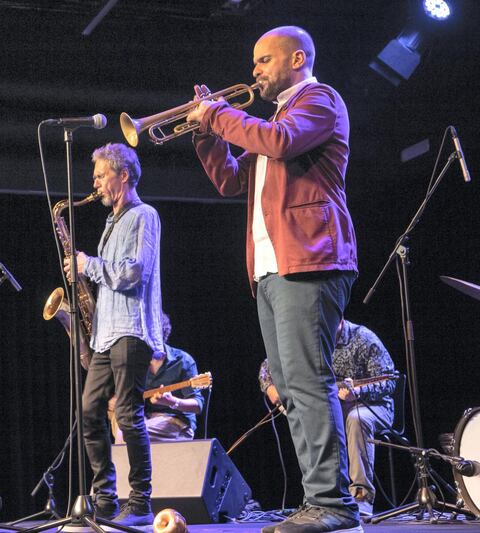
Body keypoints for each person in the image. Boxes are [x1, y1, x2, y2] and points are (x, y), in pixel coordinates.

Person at [187, 26, 361, 533]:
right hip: (271, 268)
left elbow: (280, 143)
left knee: (308, 381)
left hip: (310, 258)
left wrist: (217, 114)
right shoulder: (275, 119)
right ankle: (320, 499)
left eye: (264, 60)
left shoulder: (319, 100)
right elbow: (229, 180)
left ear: (297, 58)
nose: (255, 70)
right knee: (288, 386)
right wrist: (205, 134)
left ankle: (333, 504)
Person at [65, 142, 163, 527]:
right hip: (105, 334)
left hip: (131, 329)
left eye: (101, 175)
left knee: (127, 412)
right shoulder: (111, 222)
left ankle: (140, 500)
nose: (95, 183)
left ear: (124, 174)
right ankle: (105, 497)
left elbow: (133, 271)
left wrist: (88, 265)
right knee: (89, 411)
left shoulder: (145, 215)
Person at [259, 319, 396, 517]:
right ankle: (321, 498)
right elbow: (267, 366)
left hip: (373, 407)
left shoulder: (363, 338)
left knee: (357, 418)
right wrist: (271, 389)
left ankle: (361, 496)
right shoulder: (311, 339)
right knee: (313, 419)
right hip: (333, 409)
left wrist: (357, 393)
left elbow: (390, 381)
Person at [110, 312, 204, 444]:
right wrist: (114, 401)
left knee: (131, 433)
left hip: (175, 423)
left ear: (160, 334)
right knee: (123, 420)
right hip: (143, 419)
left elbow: (198, 405)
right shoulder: (135, 362)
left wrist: (172, 402)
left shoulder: (183, 360)